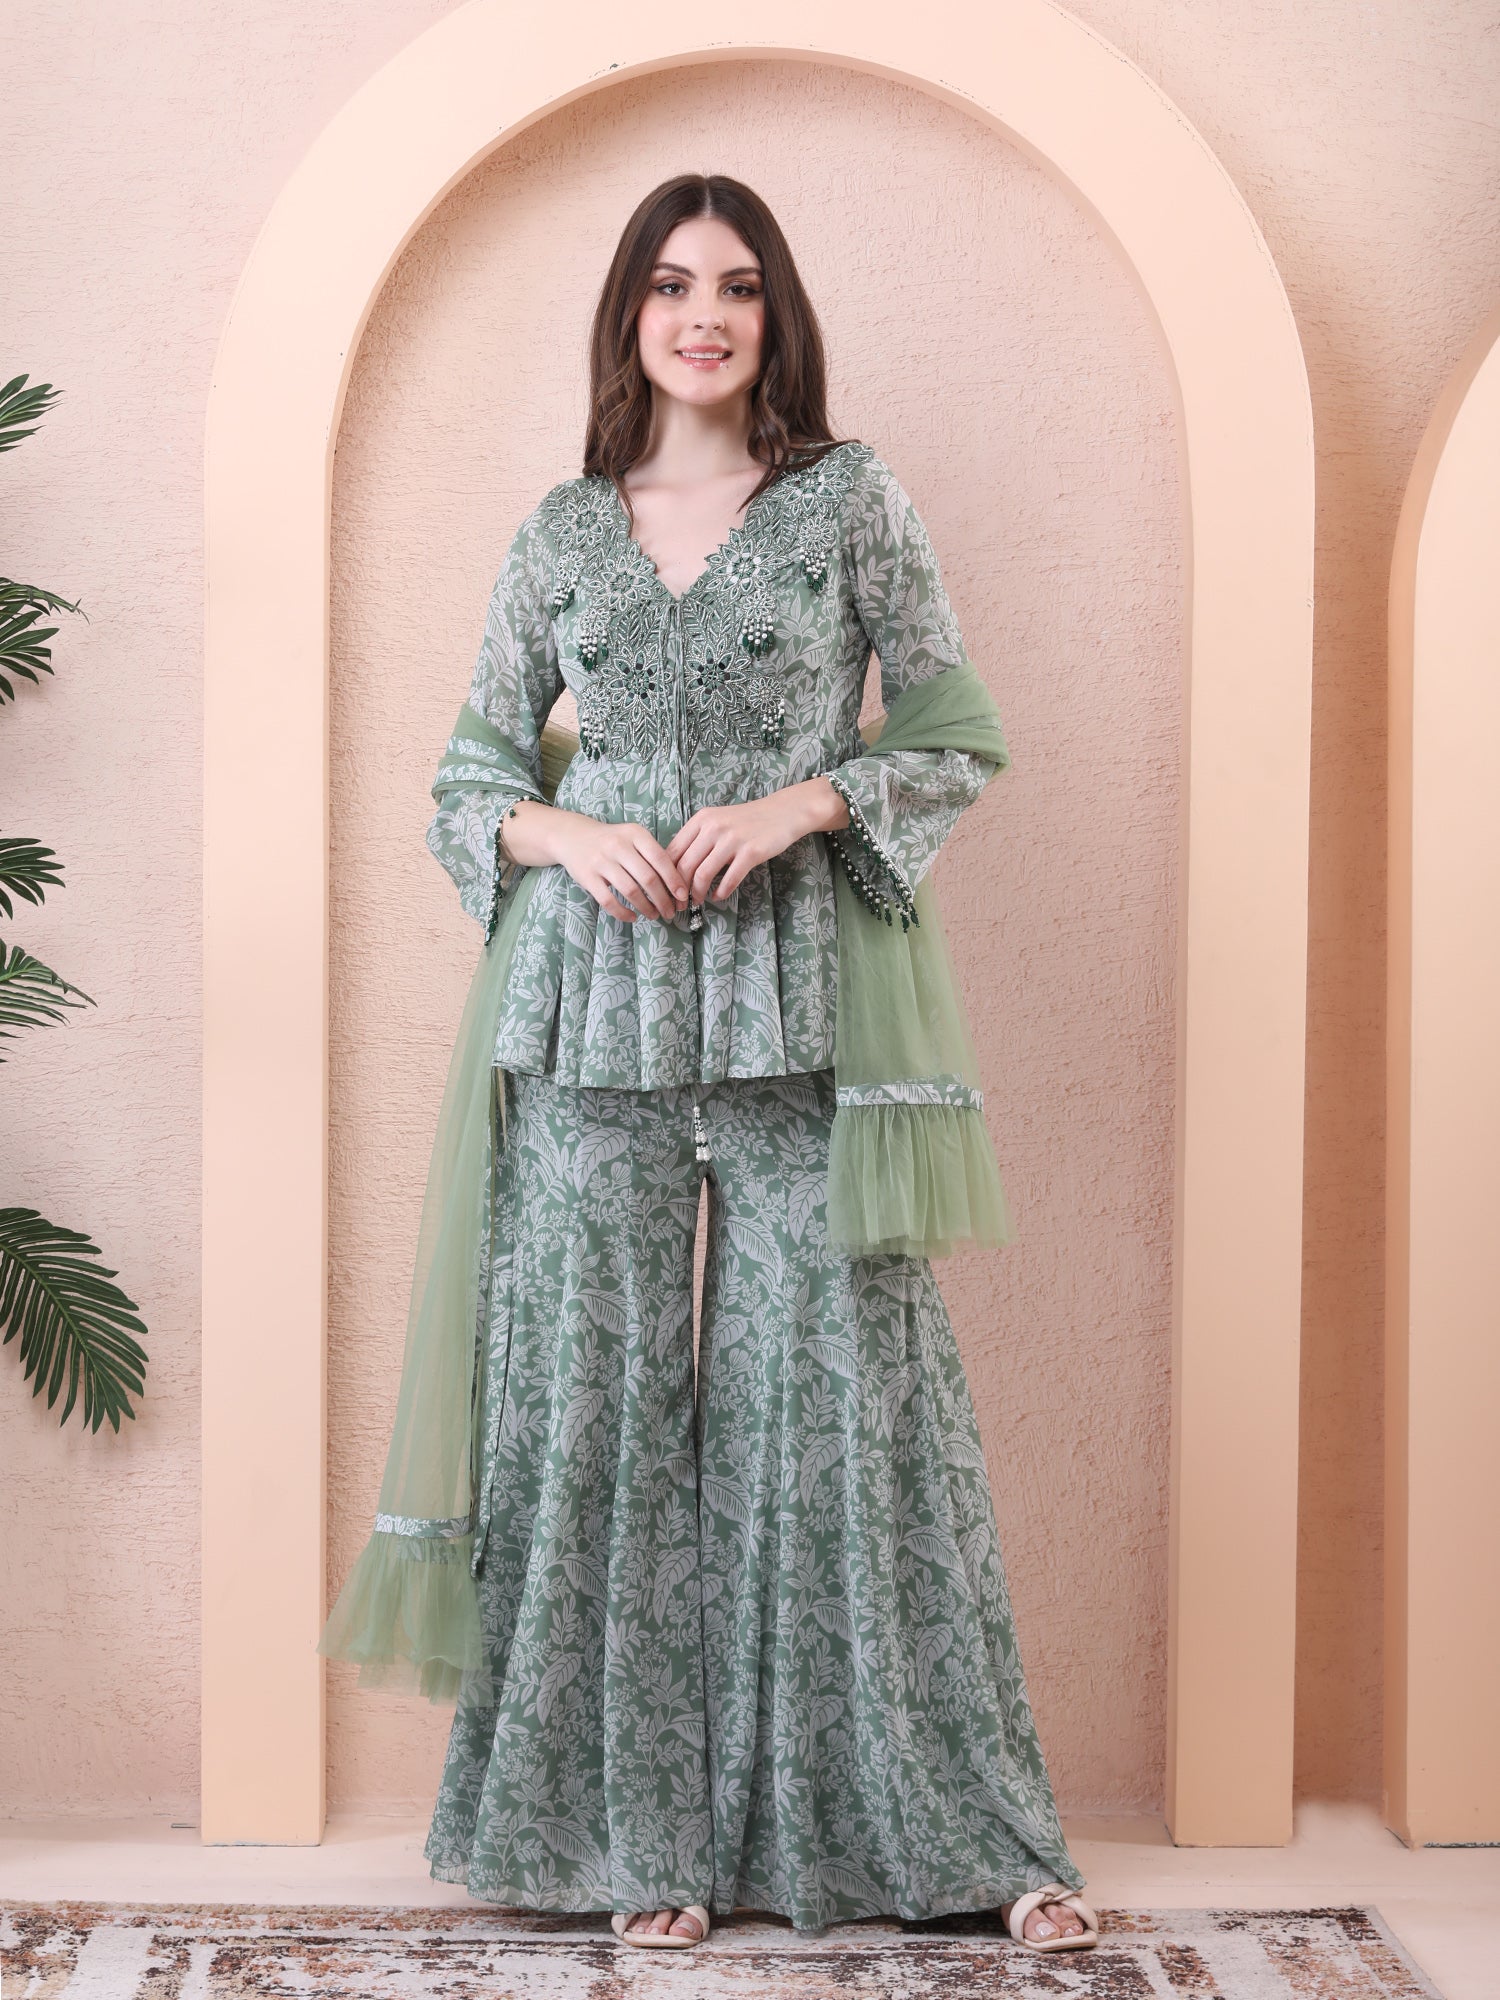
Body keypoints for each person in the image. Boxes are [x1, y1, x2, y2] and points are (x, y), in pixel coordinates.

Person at [324, 172, 1097, 1959]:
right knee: (584, 1411)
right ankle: (629, 1836)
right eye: (672, 286)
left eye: (738, 287)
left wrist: (799, 802)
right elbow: (467, 779)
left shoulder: (849, 502)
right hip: (585, 1015)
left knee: (842, 1409)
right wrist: (562, 834)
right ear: (631, 315)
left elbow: (957, 730)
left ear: (775, 315)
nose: (705, 315)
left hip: (797, 1002)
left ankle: (955, 1836)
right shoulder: (558, 533)